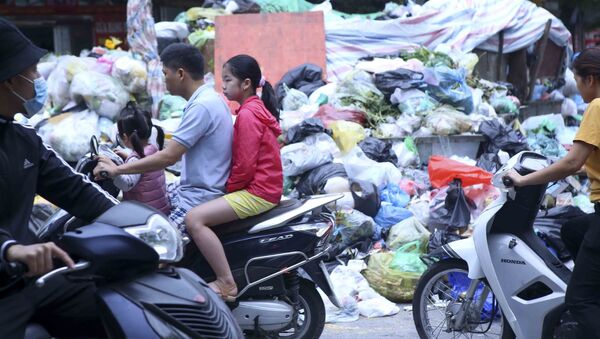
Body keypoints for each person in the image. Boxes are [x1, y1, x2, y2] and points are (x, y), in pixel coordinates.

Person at [0, 18, 118, 338]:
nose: (38, 78)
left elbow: (77, 189)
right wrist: (9, 249)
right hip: (4, 289)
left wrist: (138, 223)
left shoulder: (25, 139)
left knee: (116, 304)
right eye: (33, 70)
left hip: (30, 279)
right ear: (9, 78)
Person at [506, 47, 600, 339]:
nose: (578, 86)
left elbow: (572, 162)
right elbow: (584, 163)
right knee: (572, 229)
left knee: (579, 299)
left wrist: (526, 181)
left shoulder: (597, 107)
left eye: (577, 79)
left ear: (591, 79)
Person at [94, 43, 233, 231]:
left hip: (200, 196)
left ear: (181, 74)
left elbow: (168, 157)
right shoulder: (208, 99)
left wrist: (118, 170)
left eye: (165, 73)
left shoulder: (201, 106)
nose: (164, 80)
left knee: (157, 242)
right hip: (195, 188)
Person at [185, 55, 283, 300]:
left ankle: (226, 282)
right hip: (265, 188)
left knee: (194, 219)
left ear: (246, 83)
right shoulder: (253, 110)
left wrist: (228, 189)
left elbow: (245, 165)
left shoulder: (248, 116)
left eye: (228, 80)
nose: (223, 86)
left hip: (258, 192)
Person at [110, 101, 170, 215]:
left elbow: (125, 185)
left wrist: (112, 171)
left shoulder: (136, 159)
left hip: (145, 214)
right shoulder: (153, 148)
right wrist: (128, 157)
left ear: (125, 137)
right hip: (160, 208)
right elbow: (144, 168)